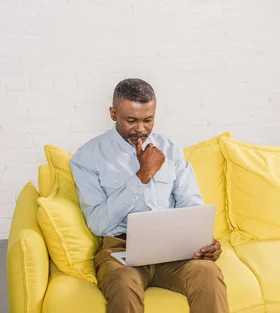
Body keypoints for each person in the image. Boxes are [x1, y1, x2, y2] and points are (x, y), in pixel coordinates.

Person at [70, 78, 229, 312]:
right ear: (113, 114)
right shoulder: (88, 157)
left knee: (209, 274)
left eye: (148, 120)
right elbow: (98, 223)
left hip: (174, 246)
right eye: (131, 120)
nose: (141, 129)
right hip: (120, 248)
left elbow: (191, 203)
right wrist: (141, 176)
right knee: (123, 284)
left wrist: (203, 239)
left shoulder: (171, 149)